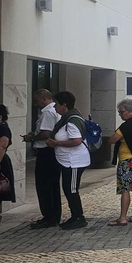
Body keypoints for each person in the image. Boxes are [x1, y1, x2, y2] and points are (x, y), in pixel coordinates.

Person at [46, 91, 90, 230]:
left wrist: (57, 144)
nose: (54, 108)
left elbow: (76, 140)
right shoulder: (68, 117)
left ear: (64, 105)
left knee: (71, 189)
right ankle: (75, 216)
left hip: (74, 161)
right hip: (68, 160)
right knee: (68, 188)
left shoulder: (71, 120)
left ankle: (78, 217)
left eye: (56, 104)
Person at [23, 89, 62, 230]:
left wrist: (32, 137)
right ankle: (54, 216)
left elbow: (46, 133)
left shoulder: (47, 112)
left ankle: (49, 217)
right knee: (53, 186)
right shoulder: (55, 111)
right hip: (52, 152)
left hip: (46, 152)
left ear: (45, 98)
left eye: (37, 100)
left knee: (44, 185)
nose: (35, 103)